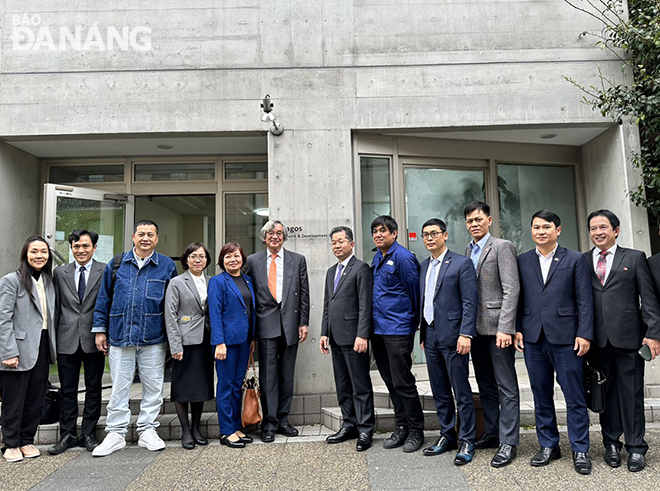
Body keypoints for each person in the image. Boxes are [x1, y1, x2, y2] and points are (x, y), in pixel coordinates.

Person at [515, 210, 594, 475]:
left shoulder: (575, 259)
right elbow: (518, 298)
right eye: (535, 227)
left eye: (546, 227)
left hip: (567, 338)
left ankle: (580, 448)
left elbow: (584, 300)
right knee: (541, 394)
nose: (540, 231)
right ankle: (549, 445)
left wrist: (584, 333)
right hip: (533, 338)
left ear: (557, 230)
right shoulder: (523, 260)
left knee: (574, 395)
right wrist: (516, 329)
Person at [91, 219, 177, 457]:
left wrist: (173, 339)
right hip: (120, 336)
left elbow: (171, 305)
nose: (145, 238)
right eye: (141, 234)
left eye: (150, 234)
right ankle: (115, 433)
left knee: (153, 387)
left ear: (157, 239)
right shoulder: (117, 264)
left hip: (153, 338)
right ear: (133, 236)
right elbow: (104, 299)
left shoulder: (167, 266)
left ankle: (148, 430)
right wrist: (100, 329)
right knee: (119, 387)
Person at [585, 209, 660, 472]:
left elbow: (648, 299)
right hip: (597, 341)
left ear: (616, 230)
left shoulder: (635, 258)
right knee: (605, 394)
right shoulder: (583, 261)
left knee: (632, 393)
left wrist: (653, 333)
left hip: (629, 338)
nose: (598, 232)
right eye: (593, 228)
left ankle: (636, 447)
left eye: (603, 227)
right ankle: (611, 444)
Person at [463, 201, 521, 467]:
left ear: (489, 220)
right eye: (469, 221)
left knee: (506, 387)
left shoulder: (502, 246)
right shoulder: (468, 250)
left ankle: (509, 442)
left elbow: (511, 290)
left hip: (498, 329)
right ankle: (493, 432)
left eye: (478, 219)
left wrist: (506, 328)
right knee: (485, 384)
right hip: (475, 330)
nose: (474, 224)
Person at [419, 218, 478, 465]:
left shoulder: (462, 263)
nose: (429, 238)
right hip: (430, 335)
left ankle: (467, 439)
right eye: (425, 235)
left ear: (444, 236)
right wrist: (423, 334)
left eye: (434, 233)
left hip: (455, 336)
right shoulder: (423, 265)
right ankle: (447, 435)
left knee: (460, 390)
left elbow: (469, 301)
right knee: (439, 390)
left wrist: (466, 334)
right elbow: (424, 300)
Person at [245, 220, 310, 443]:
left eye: (279, 233)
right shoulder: (252, 261)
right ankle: (269, 423)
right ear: (264, 237)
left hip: (290, 325)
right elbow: (249, 297)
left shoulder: (297, 260)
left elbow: (304, 294)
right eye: (271, 233)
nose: (275, 236)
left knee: (286, 375)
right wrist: (251, 331)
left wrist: (304, 322)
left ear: (284, 237)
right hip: (265, 326)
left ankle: (283, 420)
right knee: (268, 377)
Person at [48, 230, 106, 455]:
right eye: (76, 247)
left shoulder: (104, 270)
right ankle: (68, 434)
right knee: (67, 390)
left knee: (94, 388)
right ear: (71, 248)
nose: (81, 250)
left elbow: (106, 303)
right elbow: (56, 308)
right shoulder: (59, 272)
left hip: (94, 339)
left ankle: (89, 433)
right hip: (67, 338)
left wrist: (105, 333)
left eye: (85, 246)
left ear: (94, 247)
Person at [370, 215, 425, 453]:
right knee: (390, 381)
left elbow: (416, 293)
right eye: (375, 231)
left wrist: (413, 325)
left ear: (394, 233)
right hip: (379, 329)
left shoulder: (403, 258)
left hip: (398, 329)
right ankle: (401, 426)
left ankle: (416, 430)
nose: (378, 234)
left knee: (403, 381)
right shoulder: (377, 257)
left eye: (383, 230)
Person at [0, 236, 57, 463]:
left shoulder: (49, 281)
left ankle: (26, 439)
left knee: (36, 397)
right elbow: (3, 319)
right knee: (15, 399)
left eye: (43, 251)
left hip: (42, 345)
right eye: (34, 251)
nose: (39, 256)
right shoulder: (11, 281)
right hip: (18, 347)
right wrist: (8, 352)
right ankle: (10, 443)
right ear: (25, 254)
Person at [320, 226, 375, 452]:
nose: (336, 245)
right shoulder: (331, 271)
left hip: (355, 338)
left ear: (351, 244)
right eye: (333, 242)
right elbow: (327, 305)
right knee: (343, 385)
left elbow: (365, 306)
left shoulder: (361, 268)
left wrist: (363, 334)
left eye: (341, 241)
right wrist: (324, 332)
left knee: (359, 385)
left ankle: (365, 428)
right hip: (335, 337)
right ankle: (349, 423)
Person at [164, 242, 215, 450]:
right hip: (184, 342)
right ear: (186, 259)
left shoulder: (212, 281)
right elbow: (170, 315)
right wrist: (175, 346)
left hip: (206, 340)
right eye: (193, 256)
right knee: (183, 387)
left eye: (201, 256)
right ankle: (185, 430)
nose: (197, 260)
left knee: (201, 386)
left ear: (207, 260)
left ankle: (196, 428)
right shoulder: (177, 282)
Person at [209, 242, 256, 448]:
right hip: (226, 344)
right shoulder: (217, 282)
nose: (233, 260)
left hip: (245, 341)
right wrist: (219, 342)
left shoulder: (247, 280)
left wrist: (252, 339)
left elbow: (250, 310)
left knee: (238, 385)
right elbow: (215, 314)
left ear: (242, 258)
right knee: (226, 386)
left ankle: (237, 427)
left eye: (236, 256)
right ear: (222, 261)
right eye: (228, 257)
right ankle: (226, 431)